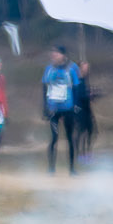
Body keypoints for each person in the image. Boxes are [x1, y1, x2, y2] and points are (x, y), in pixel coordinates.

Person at [42, 45, 84, 175]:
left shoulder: (72, 68)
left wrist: (77, 105)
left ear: (63, 55)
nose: (54, 56)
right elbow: (44, 88)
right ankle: (51, 168)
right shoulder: (49, 69)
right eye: (53, 53)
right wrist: (44, 107)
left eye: (57, 53)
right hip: (54, 107)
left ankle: (72, 168)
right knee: (54, 137)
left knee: (70, 137)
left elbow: (77, 87)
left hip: (68, 107)